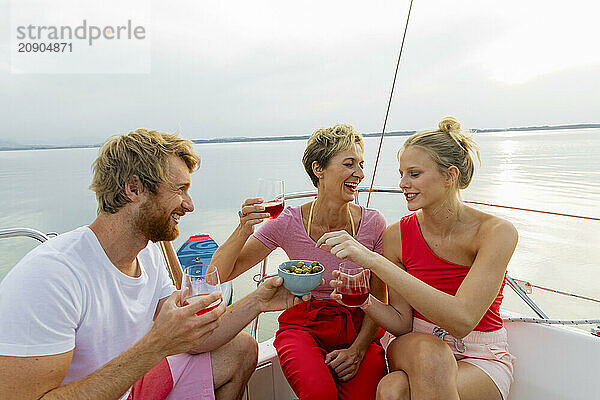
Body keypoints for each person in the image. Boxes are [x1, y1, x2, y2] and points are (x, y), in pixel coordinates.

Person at [0, 129, 308, 400]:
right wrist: (155, 345)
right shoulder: (50, 277)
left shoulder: (146, 254)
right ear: (133, 189)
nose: (190, 205)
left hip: (131, 386)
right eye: (180, 189)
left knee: (241, 348)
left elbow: (196, 340)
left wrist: (258, 301)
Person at [317, 117, 518, 400]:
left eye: (414, 174)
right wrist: (365, 299)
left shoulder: (496, 232)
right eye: (401, 174)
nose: (402, 184)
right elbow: (401, 323)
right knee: (429, 352)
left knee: (393, 390)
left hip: (480, 354)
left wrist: (375, 262)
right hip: (413, 345)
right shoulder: (397, 235)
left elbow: (462, 321)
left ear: (450, 176)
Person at [211, 124, 388, 400]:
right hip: (304, 323)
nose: (360, 174)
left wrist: (358, 350)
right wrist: (243, 228)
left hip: (357, 328)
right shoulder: (287, 221)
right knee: (320, 395)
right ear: (319, 169)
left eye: (361, 164)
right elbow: (220, 274)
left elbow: (380, 299)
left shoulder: (374, 223)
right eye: (349, 163)